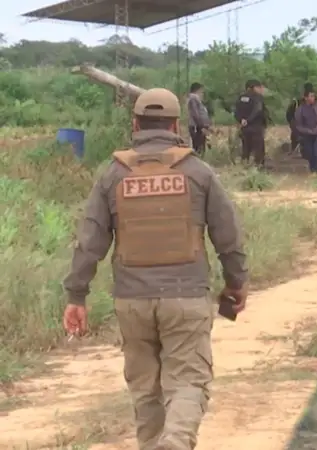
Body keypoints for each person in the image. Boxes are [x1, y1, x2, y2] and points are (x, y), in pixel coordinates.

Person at [61, 87, 249, 450]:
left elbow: (90, 241)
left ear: (135, 123)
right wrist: (236, 282)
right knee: (188, 381)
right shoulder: (198, 171)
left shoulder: (112, 175)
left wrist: (76, 295)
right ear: (177, 124)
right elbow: (229, 235)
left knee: (145, 389)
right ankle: (176, 441)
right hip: (186, 297)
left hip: (132, 301)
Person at [234, 79, 269, 169]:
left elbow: (236, 112)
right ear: (253, 87)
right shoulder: (257, 97)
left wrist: (241, 120)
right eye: (259, 87)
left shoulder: (240, 97)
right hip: (256, 127)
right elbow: (258, 110)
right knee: (258, 149)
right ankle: (258, 168)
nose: (261, 89)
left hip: (244, 127)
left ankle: (245, 167)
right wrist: (249, 120)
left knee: (246, 148)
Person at [285, 82, 313, 159]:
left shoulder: (313, 103)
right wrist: (292, 124)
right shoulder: (297, 102)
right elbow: (289, 114)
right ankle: (295, 151)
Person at [186, 82, 211, 156]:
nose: (202, 94)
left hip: (198, 126)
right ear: (197, 90)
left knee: (201, 146)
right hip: (196, 127)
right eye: (201, 91)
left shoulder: (196, 99)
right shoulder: (193, 98)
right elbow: (195, 114)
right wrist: (202, 126)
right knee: (198, 147)